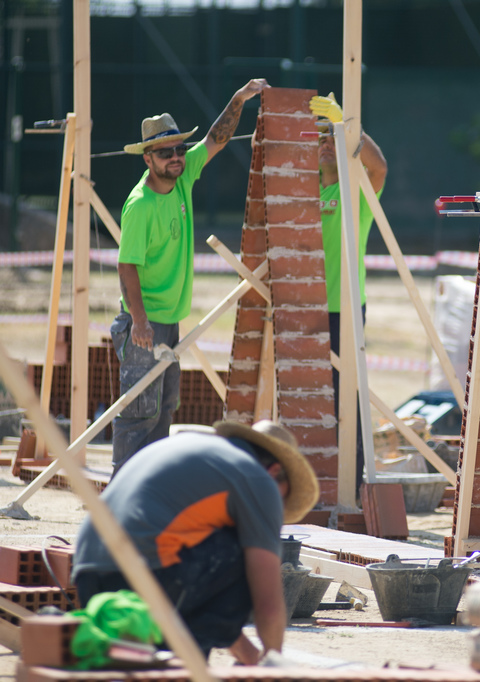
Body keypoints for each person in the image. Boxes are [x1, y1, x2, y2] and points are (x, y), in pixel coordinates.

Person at [111, 79, 268, 474]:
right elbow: (126, 266)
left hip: (169, 321)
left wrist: (239, 98)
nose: (176, 158)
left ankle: (151, 494)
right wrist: (141, 322)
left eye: (179, 149)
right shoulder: (140, 206)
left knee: (163, 413)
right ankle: (120, 501)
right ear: (148, 159)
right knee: (138, 417)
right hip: (142, 324)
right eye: (165, 153)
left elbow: (217, 138)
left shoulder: (182, 179)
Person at [72, 420, 319, 663]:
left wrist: (250, 657)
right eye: (282, 498)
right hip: (143, 577)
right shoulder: (257, 479)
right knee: (248, 553)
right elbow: (269, 602)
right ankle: (185, 662)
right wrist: (273, 665)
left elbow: (211, 599)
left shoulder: (194, 450)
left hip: (89, 574)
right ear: (275, 471)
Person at [309, 93, 388, 497]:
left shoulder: (356, 194)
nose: (324, 143)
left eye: (330, 137)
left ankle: (351, 487)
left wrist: (346, 128)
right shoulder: (302, 197)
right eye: (319, 136)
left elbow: (379, 166)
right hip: (305, 309)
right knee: (307, 398)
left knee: (348, 404)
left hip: (344, 310)